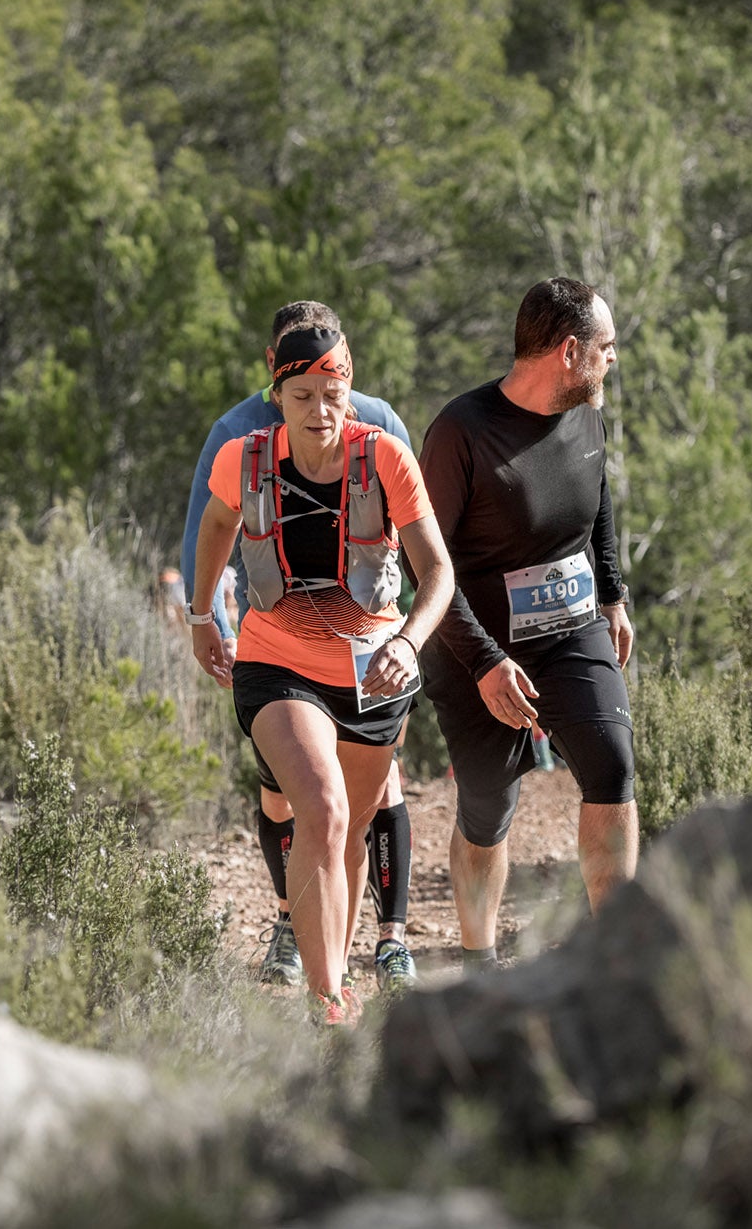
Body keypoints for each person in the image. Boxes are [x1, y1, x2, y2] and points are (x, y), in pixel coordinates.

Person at [188, 316, 454, 1022]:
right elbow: (215, 526)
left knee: (353, 829)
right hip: (276, 660)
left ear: (350, 387)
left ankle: (333, 973)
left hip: (374, 668)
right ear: (278, 394)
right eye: (302, 394)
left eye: (331, 392)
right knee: (323, 806)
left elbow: (438, 573)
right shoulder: (242, 460)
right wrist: (200, 614)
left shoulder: (388, 457)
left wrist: (410, 641)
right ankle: (327, 997)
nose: (319, 410)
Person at [419, 277, 639, 970]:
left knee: (612, 762)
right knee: (488, 807)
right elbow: (424, 563)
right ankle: (479, 964)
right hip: (472, 646)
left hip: (571, 626)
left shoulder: (588, 412)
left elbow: (597, 499)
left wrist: (613, 595)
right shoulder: (462, 431)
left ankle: (617, 958)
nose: (615, 359)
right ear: (569, 352)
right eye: (606, 347)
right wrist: (483, 662)